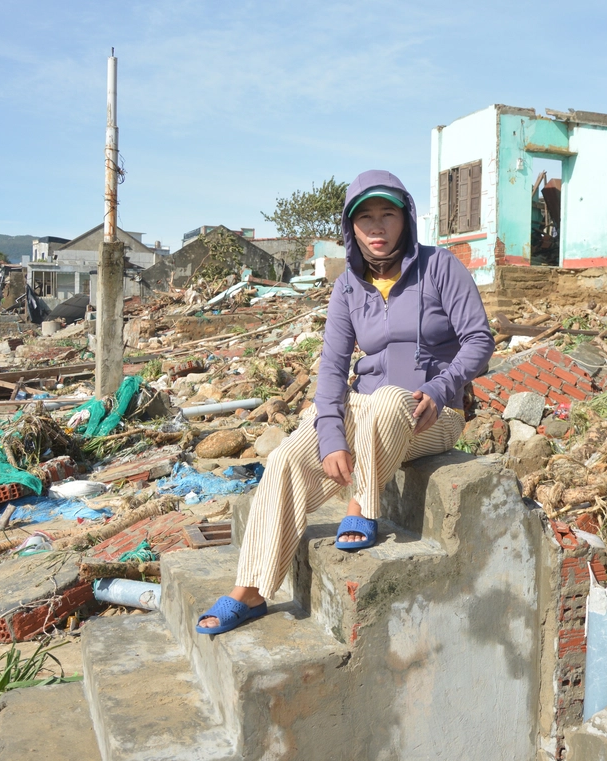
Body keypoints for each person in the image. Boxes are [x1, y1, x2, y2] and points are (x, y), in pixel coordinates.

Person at [197, 170, 495, 634]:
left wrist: (440, 388)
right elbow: (333, 369)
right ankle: (251, 589)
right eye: (366, 218)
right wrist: (332, 436)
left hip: (432, 414)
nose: (377, 228)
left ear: (406, 220)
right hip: (369, 411)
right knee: (286, 458)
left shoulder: (441, 267)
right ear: (351, 228)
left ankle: (361, 505)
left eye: (388, 215)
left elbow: (479, 341)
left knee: (390, 400)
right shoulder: (348, 288)